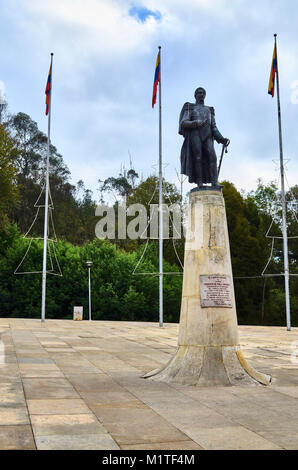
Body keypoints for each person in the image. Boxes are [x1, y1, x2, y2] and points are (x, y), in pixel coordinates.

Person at [179, 87, 229, 189]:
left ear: (205, 96)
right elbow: (183, 122)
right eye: (199, 93)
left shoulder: (209, 110)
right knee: (197, 158)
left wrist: (221, 139)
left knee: (213, 157)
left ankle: (214, 182)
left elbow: (214, 127)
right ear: (195, 95)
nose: (201, 95)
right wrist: (195, 123)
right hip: (195, 135)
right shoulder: (190, 108)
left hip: (208, 136)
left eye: (203, 93)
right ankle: (199, 182)